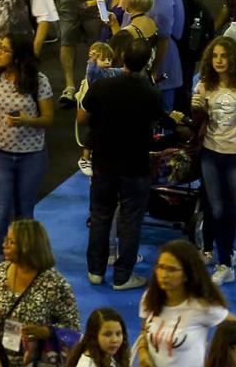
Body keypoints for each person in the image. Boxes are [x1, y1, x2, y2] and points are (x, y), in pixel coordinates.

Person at [82, 36, 166, 289]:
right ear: (147, 62)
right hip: (135, 165)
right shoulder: (151, 93)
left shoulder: (103, 86)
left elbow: (87, 108)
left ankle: (95, 270)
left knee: (100, 215)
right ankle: (123, 275)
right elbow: (157, 123)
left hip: (104, 162)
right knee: (130, 220)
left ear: (122, 58)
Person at [0, 31, 54, 265]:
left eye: (5, 49)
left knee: (24, 211)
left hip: (32, 155)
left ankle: (23, 260)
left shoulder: (39, 81)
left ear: (18, 56)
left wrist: (28, 120)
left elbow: (48, 118)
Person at [191, 37, 236, 286]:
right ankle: (224, 264)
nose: (219, 61)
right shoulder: (203, 86)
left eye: (224, 56)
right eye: (215, 56)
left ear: (233, 59)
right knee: (219, 210)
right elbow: (197, 122)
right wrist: (195, 109)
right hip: (211, 154)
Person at [0, 219, 79, 367]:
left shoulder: (55, 283)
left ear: (28, 247)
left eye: (11, 242)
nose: (4, 245)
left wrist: (45, 332)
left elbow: (73, 331)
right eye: (5, 240)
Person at [136, 239, 228, 367]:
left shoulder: (203, 307)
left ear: (187, 274)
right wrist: (143, 354)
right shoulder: (150, 297)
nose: (164, 275)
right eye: (160, 267)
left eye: (172, 270)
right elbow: (144, 331)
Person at [64, 307, 129, 367]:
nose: (114, 340)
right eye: (107, 334)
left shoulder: (109, 356)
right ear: (93, 336)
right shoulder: (86, 365)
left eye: (118, 334)